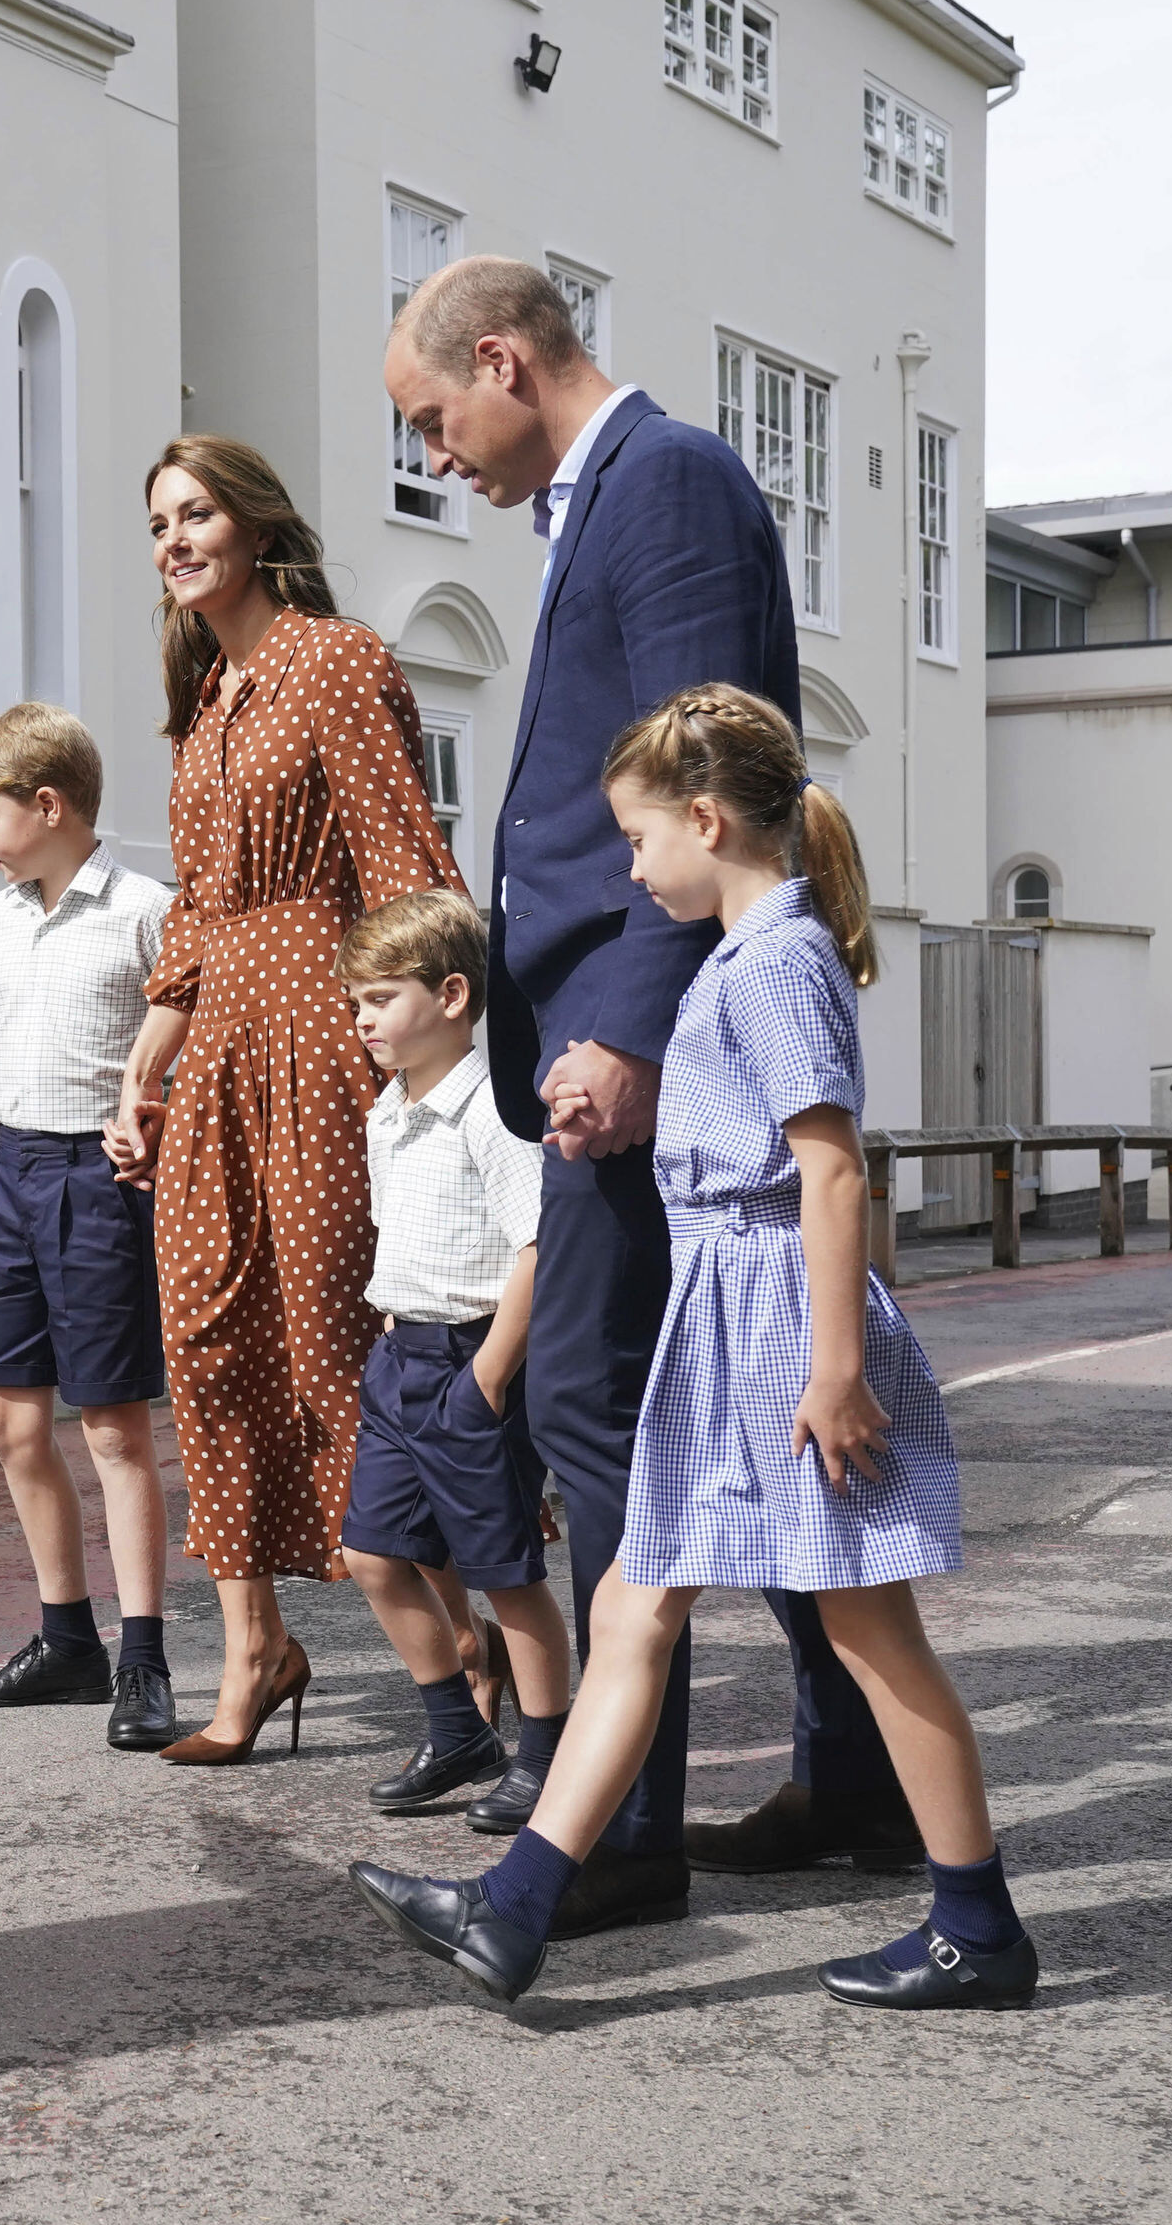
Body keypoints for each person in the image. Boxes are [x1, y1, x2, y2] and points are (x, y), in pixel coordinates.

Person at [351, 684, 1033, 2015]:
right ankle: (519, 1904)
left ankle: (978, 1921)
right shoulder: (746, 953)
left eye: (641, 836)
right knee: (631, 1606)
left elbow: (830, 1173)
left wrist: (836, 1369)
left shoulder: (776, 960)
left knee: (875, 1634)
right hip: (725, 1320)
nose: (629, 863)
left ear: (708, 821)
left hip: (780, 1327)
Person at [378, 256, 908, 1934]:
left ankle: (623, 1837)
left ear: (509, 361)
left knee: (603, 1411)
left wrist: (628, 1023)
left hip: (638, 1041)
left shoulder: (665, 479)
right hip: (610, 1032)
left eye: (433, 415)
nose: (435, 450)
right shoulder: (603, 496)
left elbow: (713, 777)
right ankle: (856, 1777)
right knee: (734, 1414)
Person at [105, 437, 469, 1763]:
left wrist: (426, 1054)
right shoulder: (208, 698)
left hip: (324, 1028)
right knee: (203, 1340)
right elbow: (197, 907)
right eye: (159, 521)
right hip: (217, 1052)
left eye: (196, 512)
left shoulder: (336, 658)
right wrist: (147, 1060)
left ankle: (469, 1645)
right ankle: (255, 1648)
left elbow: (405, 862)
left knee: (332, 1341)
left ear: (256, 524)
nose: (174, 538)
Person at [0, 704, 182, 1751]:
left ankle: (144, 1659)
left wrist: (150, 1133)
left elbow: (185, 1057)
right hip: (17, 1179)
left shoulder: (144, 911)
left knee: (113, 1428)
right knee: (8, 1424)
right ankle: (64, 1640)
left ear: (48, 805)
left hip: (98, 1183)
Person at [331, 892, 575, 1820]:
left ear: (452, 995)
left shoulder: (493, 1109)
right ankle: (458, 1732)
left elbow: (537, 1247)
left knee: (506, 1574)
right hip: (401, 1356)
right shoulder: (389, 1112)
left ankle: (546, 1756)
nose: (362, 1022)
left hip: (474, 1362)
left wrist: (488, 1378)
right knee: (371, 1554)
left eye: (380, 999)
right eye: (357, 1002)